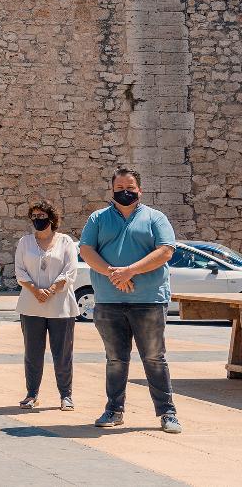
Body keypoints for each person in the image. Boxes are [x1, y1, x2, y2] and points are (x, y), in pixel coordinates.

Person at [79, 167, 181, 433]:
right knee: (115, 359)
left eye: (130, 187)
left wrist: (130, 271)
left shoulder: (155, 218)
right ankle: (114, 410)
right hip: (109, 301)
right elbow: (87, 250)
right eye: (119, 188)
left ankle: (167, 413)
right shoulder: (98, 218)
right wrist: (114, 274)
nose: (125, 192)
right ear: (112, 191)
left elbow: (166, 251)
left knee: (154, 358)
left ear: (140, 190)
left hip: (149, 299)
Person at [14, 201, 78, 411]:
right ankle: (32, 394)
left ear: (51, 218)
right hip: (32, 305)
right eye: (34, 215)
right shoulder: (25, 242)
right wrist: (36, 291)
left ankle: (66, 395)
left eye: (41, 215)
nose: (38, 219)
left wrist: (50, 290)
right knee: (32, 353)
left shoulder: (65, 241)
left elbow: (70, 270)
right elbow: (20, 271)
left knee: (62, 353)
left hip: (60, 305)